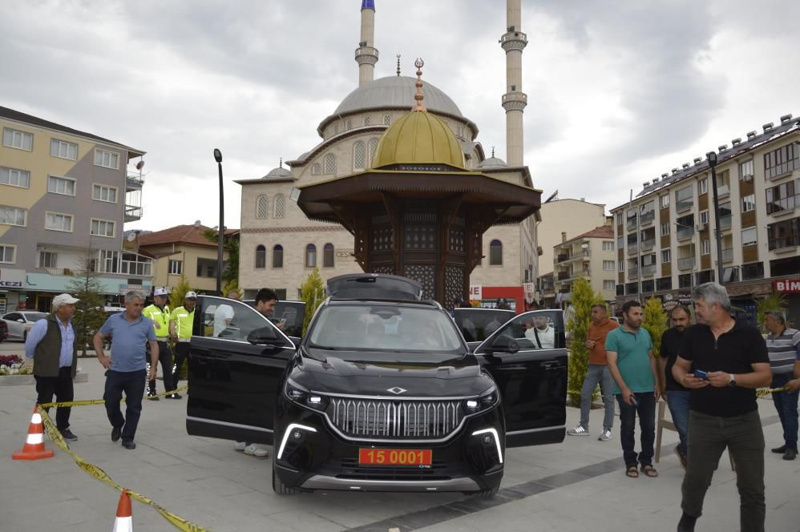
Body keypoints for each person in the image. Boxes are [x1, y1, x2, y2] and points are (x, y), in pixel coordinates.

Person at [672, 283, 771, 532]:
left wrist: (732, 379)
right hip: (703, 420)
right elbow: (678, 366)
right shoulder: (694, 334)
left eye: (699, 306)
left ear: (716, 307)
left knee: (752, 487)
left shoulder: (750, 336)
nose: (696, 311)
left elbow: (765, 377)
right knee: (695, 479)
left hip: (744, 422)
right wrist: (684, 379)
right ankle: (688, 521)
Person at [93, 290, 158, 450]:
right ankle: (118, 423)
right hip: (115, 371)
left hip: (137, 372)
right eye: (135, 305)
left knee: (134, 406)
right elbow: (98, 337)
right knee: (110, 401)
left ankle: (128, 437)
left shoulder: (146, 323)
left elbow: (154, 344)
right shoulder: (114, 319)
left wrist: (154, 368)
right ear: (126, 304)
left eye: (141, 305)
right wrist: (101, 357)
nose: (139, 308)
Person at [605, 300, 659, 479]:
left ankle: (647, 461)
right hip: (626, 391)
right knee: (628, 427)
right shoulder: (614, 335)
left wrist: (657, 383)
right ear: (625, 315)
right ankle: (630, 463)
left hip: (647, 389)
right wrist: (624, 388)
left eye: (641, 314)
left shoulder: (645, 334)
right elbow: (611, 363)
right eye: (635, 314)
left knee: (649, 427)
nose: (639, 317)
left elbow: (651, 358)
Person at [24, 293, 80, 441]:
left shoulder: (72, 324)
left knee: (66, 400)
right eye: (70, 306)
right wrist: (38, 361)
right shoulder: (44, 324)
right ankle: (39, 430)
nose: (73, 308)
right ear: (60, 308)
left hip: (66, 371)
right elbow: (30, 345)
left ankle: (63, 428)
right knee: (44, 401)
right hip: (47, 371)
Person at [235, 288, 281, 458]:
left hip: (249, 366)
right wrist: (274, 331)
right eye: (270, 305)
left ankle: (241, 439)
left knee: (247, 403)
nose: (272, 309)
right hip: (250, 367)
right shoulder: (251, 318)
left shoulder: (258, 318)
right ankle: (249, 443)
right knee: (253, 404)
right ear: (260, 303)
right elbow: (253, 339)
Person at [567, 303, 619, 441]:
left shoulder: (614, 326)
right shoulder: (591, 326)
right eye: (592, 312)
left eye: (595, 312)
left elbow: (621, 343)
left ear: (603, 313)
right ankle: (583, 426)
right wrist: (587, 344)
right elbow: (587, 341)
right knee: (585, 395)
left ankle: (607, 429)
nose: (592, 314)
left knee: (608, 398)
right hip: (593, 365)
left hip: (608, 366)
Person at [764, 310, 799, 461]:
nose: (765, 323)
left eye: (767, 320)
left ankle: (791, 447)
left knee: (789, 412)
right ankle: (788, 442)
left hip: (789, 378)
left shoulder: (794, 334)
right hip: (775, 379)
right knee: (781, 412)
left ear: (777, 321)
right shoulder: (769, 338)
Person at [659, 305, 692, 468]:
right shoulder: (667, 335)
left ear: (690, 319)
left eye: (682, 319)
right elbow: (662, 359)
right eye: (675, 320)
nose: (678, 323)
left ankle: (684, 450)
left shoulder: (698, 334)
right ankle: (692, 459)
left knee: (700, 429)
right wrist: (662, 383)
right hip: (675, 389)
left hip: (699, 388)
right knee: (684, 428)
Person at [142, 287, 180, 400]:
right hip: (152, 342)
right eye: (161, 297)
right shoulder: (148, 309)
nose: (163, 299)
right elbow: (139, 319)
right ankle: (151, 392)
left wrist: (173, 333)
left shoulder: (167, 309)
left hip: (165, 342)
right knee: (152, 368)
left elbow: (170, 323)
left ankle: (170, 392)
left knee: (168, 368)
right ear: (155, 298)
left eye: (165, 297)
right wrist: (151, 321)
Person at [169, 291, 197, 390]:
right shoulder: (178, 310)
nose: (192, 302)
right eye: (190, 299)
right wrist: (172, 334)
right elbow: (172, 322)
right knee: (177, 366)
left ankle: (191, 388)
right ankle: (172, 388)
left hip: (193, 343)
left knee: (192, 367)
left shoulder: (197, 311)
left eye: (194, 300)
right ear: (185, 300)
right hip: (181, 343)